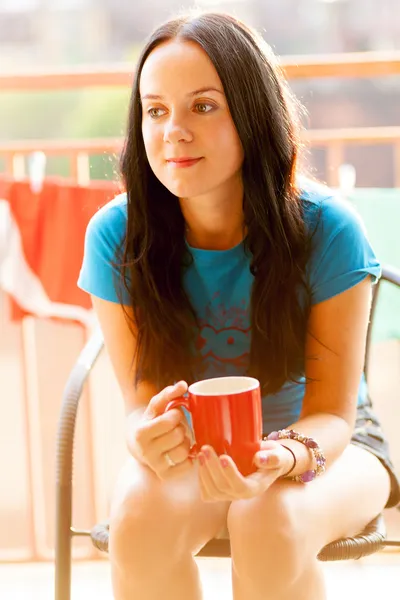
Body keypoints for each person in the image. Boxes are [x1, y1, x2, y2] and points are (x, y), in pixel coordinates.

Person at [77, 11, 400, 600]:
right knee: (136, 521)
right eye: (155, 110)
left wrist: (280, 456)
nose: (173, 130)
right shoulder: (117, 236)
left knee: (266, 517)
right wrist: (144, 435)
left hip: (328, 449)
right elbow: (140, 402)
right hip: (198, 451)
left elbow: (333, 417)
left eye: (203, 106)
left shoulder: (328, 229)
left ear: (252, 118)